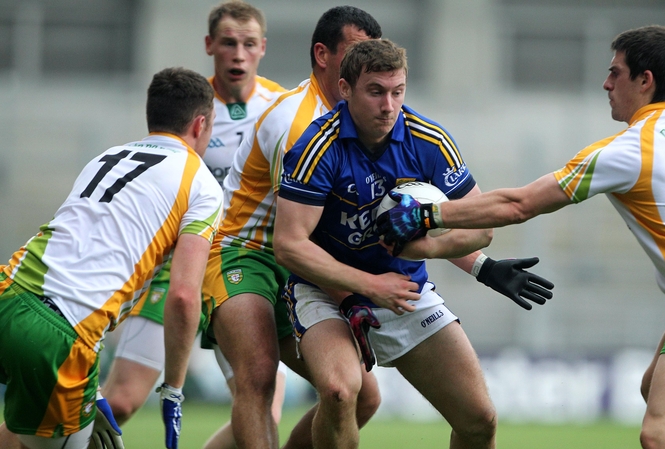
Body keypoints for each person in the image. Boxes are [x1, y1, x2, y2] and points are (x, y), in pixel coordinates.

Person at [377, 25, 665, 449]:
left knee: (662, 433)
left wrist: (429, 214)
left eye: (616, 73)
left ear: (646, 80)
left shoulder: (629, 151)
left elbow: (519, 205)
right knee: (660, 398)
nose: (606, 83)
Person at [273, 38, 553, 449]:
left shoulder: (429, 141)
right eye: (376, 92)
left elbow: (482, 226)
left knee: (479, 420)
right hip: (324, 292)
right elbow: (290, 246)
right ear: (346, 89)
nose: (389, 105)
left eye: (397, 91)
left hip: (404, 292)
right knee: (339, 391)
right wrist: (367, 287)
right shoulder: (317, 147)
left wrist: (429, 250)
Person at [200, 6, 392, 449]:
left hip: (300, 261)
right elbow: (306, 234)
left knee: (359, 396)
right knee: (259, 378)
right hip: (243, 252)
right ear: (323, 55)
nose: (368, 66)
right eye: (356, 53)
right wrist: (364, 286)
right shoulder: (298, 124)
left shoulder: (359, 114)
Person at [0, 67, 222, 449]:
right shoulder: (202, 184)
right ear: (201, 124)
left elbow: (81, 257)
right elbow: (184, 296)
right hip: (59, 338)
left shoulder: (109, 156)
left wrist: (93, 384)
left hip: (7, 292)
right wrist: (173, 388)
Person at [99, 2, 289, 446]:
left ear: (262, 48)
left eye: (247, 44)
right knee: (123, 401)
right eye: (228, 43)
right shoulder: (190, 109)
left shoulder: (281, 109)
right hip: (178, 264)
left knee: (262, 411)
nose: (238, 55)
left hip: (240, 263)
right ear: (210, 46)